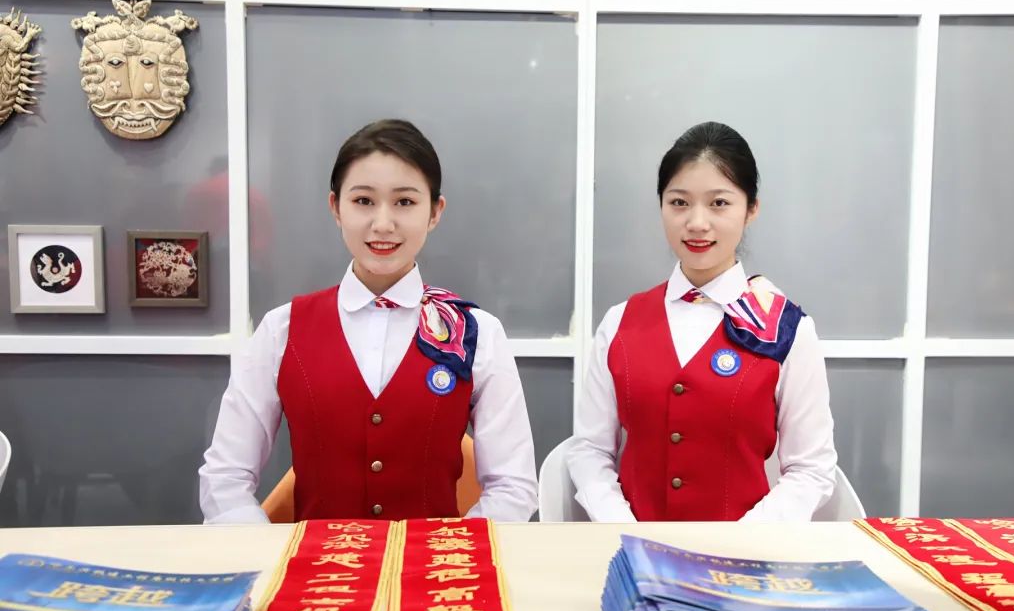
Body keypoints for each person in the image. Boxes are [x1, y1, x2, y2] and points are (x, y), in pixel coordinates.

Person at [199, 119, 538, 523]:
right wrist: (268, 550)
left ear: (435, 212)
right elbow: (225, 478)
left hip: (433, 560)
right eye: (363, 201)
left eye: (405, 202)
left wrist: (453, 549)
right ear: (335, 207)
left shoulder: (476, 333)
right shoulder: (281, 330)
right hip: (316, 561)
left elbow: (513, 487)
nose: (382, 224)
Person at [567, 121, 837, 522]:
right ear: (661, 205)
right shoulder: (620, 323)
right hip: (633, 547)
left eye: (719, 203)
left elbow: (811, 469)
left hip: (744, 552)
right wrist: (621, 527)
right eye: (679, 202)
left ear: (751, 209)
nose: (696, 222)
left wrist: (741, 541)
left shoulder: (787, 330)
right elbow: (590, 449)